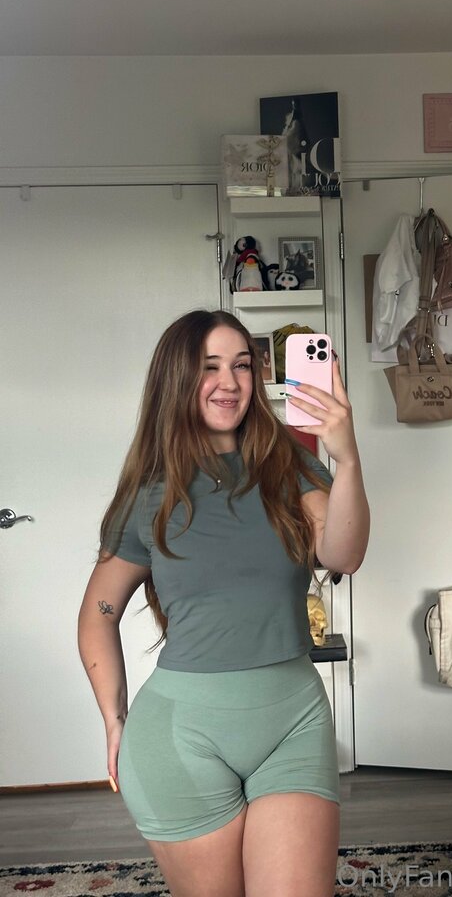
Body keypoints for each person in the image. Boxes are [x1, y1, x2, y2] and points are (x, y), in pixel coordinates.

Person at [77, 309, 369, 897]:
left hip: (294, 723)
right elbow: (97, 615)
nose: (230, 383)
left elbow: (343, 554)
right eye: (209, 367)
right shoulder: (149, 493)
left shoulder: (290, 465)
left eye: (242, 366)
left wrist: (348, 460)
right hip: (181, 734)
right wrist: (113, 717)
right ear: (177, 379)